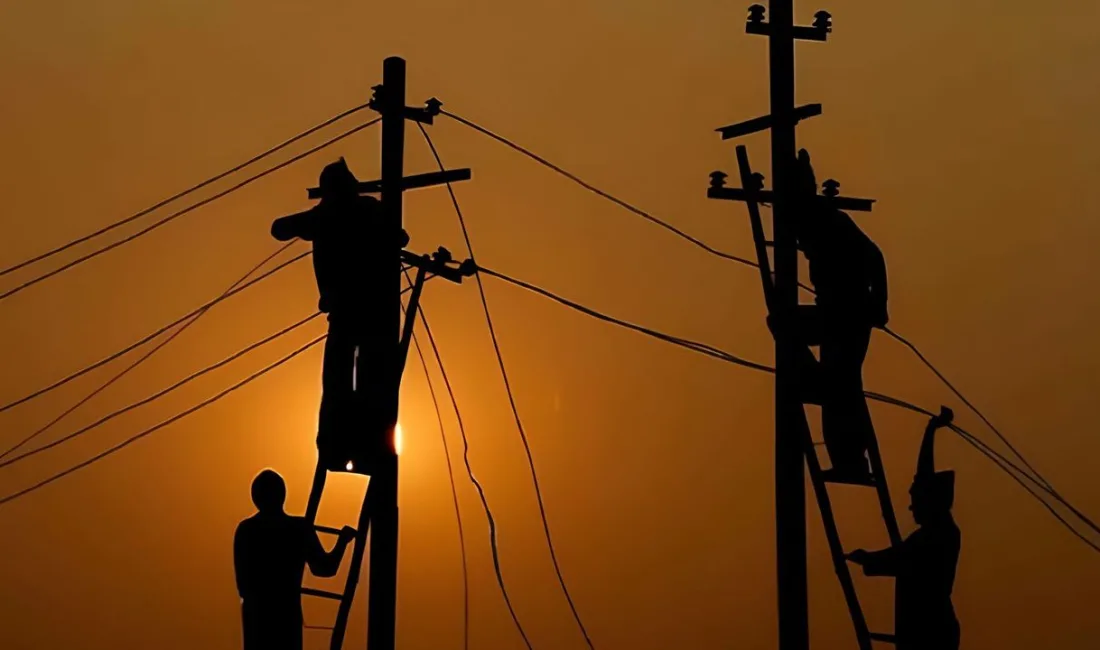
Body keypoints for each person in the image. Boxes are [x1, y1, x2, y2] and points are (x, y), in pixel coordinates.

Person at [270, 158, 409, 470]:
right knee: (351, 381)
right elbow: (279, 228)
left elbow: (399, 238)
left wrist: (324, 217)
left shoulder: (347, 213)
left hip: (362, 313)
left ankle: (352, 447)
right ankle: (350, 447)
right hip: (364, 314)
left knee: (346, 381)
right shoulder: (352, 211)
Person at [792, 149, 889, 484]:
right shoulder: (807, 220)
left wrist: (880, 304)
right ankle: (848, 457)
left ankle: (851, 460)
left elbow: (875, 256)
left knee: (841, 383)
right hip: (833, 313)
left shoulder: (830, 220)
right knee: (840, 383)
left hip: (849, 314)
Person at [847, 407, 962, 650]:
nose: (911, 507)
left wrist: (868, 558)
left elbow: (900, 560)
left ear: (930, 501)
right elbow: (923, 474)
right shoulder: (935, 533)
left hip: (930, 633)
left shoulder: (937, 537)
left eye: (916, 500)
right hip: (924, 629)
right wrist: (930, 431)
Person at [234, 469, 355, 650]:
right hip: (285, 620)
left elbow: (243, 586)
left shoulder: (246, 530)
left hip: (257, 623)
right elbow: (324, 568)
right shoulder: (298, 528)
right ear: (282, 494)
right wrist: (342, 541)